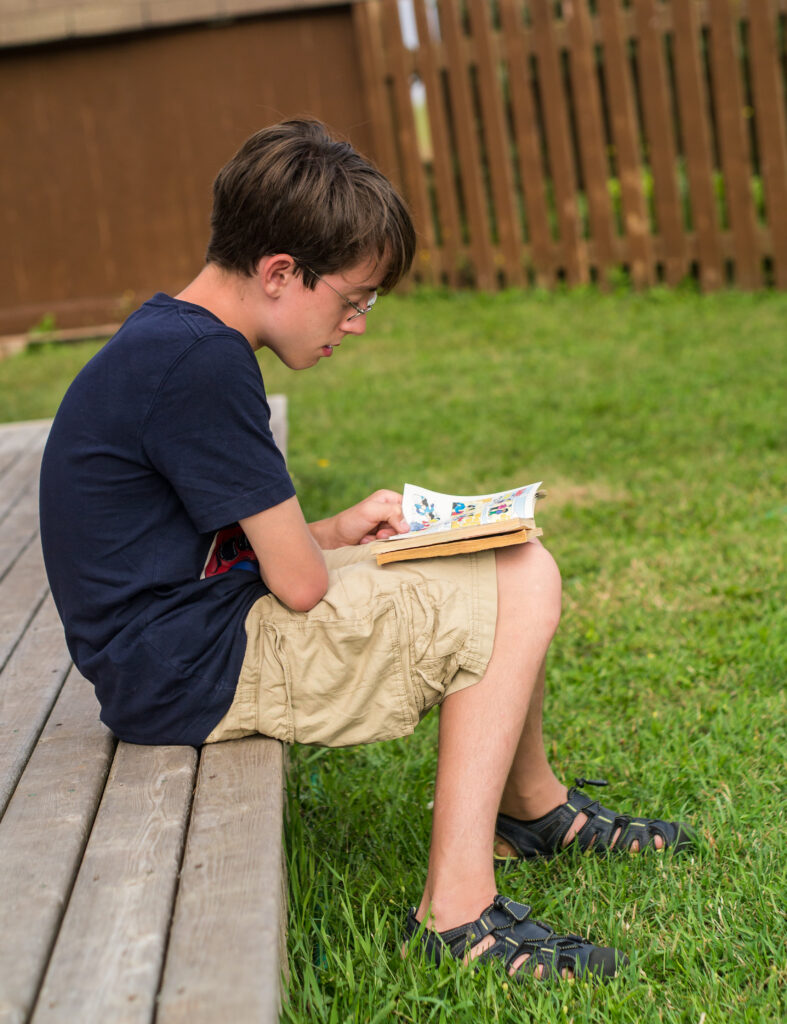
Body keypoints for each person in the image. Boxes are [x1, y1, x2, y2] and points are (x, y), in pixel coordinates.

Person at [39, 119, 693, 985]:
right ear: (280, 272)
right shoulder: (203, 366)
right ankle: (456, 912)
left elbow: (212, 545)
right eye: (352, 299)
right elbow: (301, 590)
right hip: (190, 672)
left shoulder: (176, 338)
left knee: (507, 559)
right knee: (520, 576)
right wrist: (320, 550)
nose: (356, 323)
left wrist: (337, 528)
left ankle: (533, 808)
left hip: (180, 640)